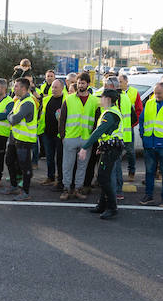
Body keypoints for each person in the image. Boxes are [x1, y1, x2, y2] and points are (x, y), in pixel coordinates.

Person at [79, 89, 127, 220]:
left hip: (112, 150)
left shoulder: (110, 114)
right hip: (109, 148)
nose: (100, 100)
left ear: (108, 99)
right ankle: (102, 205)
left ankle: (112, 208)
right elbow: (108, 133)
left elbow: (99, 131)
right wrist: (101, 146)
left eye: (102, 97)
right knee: (102, 177)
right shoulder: (109, 112)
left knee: (103, 177)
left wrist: (84, 147)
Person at [60, 73, 97, 201]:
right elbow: (62, 119)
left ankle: (78, 189)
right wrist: (63, 137)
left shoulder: (94, 101)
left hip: (86, 139)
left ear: (88, 84)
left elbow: (97, 120)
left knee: (82, 166)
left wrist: (92, 138)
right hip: (70, 137)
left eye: (83, 83)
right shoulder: (69, 99)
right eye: (79, 83)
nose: (80, 85)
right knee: (67, 165)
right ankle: (66, 189)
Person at [4, 77, 38, 199]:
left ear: (23, 88)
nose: (14, 88)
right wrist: (11, 117)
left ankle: (26, 192)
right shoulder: (19, 100)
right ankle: (14, 186)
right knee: (9, 161)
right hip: (15, 138)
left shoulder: (28, 102)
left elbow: (13, 119)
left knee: (25, 167)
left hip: (24, 140)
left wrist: (11, 118)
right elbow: (10, 116)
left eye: (16, 86)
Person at [40, 77, 65, 189]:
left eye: (56, 87)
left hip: (60, 135)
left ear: (62, 88)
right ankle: (50, 176)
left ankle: (60, 179)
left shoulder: (66, 101)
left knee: (60, 158)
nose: (53, 89)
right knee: (49, 157)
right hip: (47, 133)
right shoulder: (47, 100)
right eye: (52, 87)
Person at [117, 73, 143, 182]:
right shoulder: (116, 93)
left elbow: (139, 109)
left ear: (126, 82)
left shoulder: (133, 92)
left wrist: (133, 123)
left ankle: (131, 172)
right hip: (117, 129)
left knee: (130, 152)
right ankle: (117, 173)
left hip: (128, 128)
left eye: (121, 82)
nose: (119, 84)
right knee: (117, 152)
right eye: (118, 82)